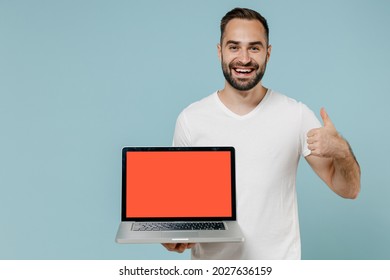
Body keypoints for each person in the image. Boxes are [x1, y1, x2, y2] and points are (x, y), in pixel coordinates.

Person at [162, 7, 360, 259]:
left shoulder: (295, 115)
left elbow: (349, 190)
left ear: (268, 53)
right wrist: (173, 236)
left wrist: (341, 150)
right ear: (219, 51)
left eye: (254, 48)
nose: (244, 59)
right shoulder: (191, 120)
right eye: (234, 47)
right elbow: (179, 207)